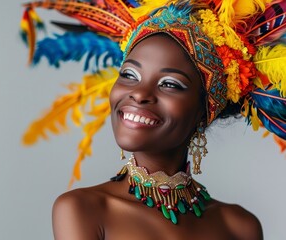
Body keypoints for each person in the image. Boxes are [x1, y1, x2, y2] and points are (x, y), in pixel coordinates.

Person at [20, 0, 286, 239]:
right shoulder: (82, 211)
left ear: (205, 111)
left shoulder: (240, 227)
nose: (139, 94)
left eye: (170, 84)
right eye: (129, 75)